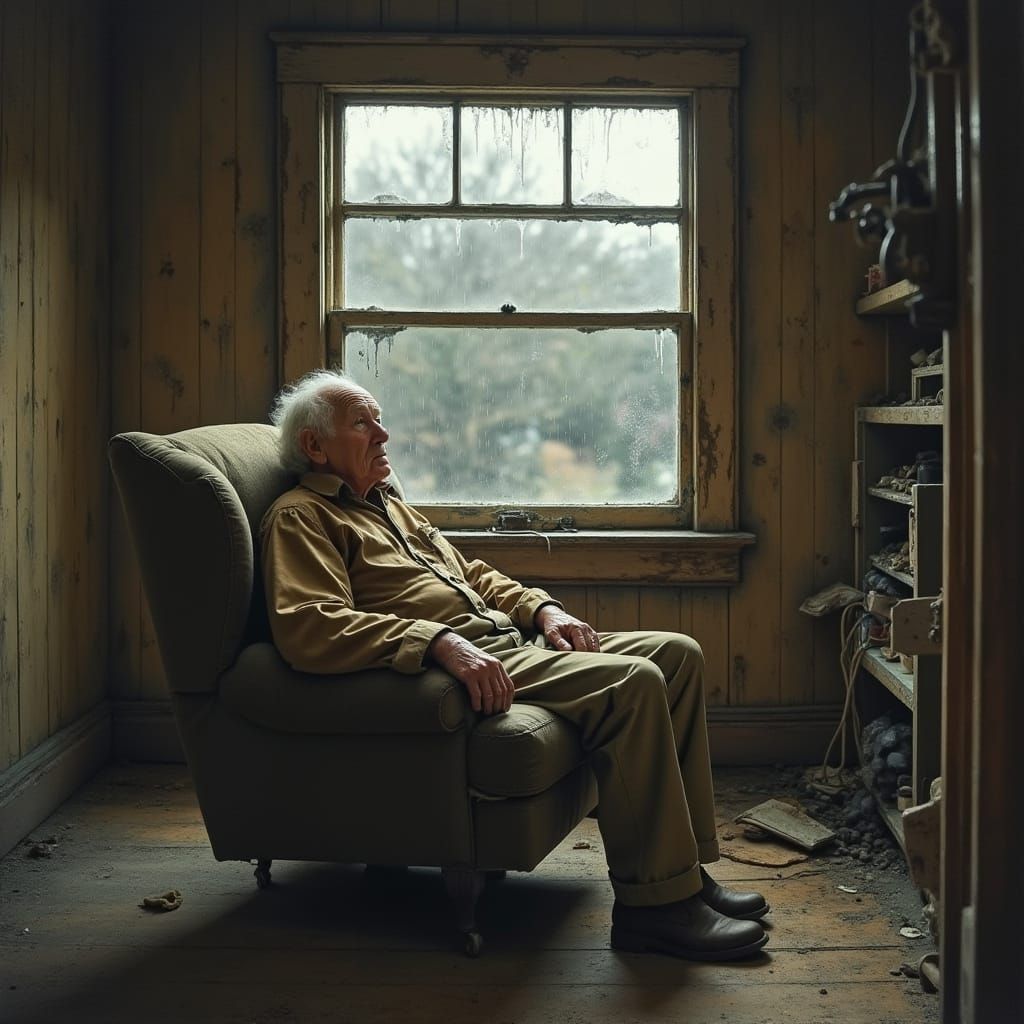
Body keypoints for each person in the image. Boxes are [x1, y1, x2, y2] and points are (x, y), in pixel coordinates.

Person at [261, 369, 770, 962]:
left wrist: (544, 610)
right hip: (467, 659)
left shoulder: (387, 505)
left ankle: (685, 875)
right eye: (361, 423)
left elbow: (471, 575)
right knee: (634, 681)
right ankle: (655, 910)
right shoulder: (302, 517)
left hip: (510, 639)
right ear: (315, 446)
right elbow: (309, 625)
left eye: (379, 419)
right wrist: (437, 642)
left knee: (678, 654)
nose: (383, 433)